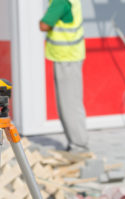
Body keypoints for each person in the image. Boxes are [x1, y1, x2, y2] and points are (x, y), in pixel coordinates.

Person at [39, 0, 88, 152]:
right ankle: (76, 144)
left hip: (66, 57)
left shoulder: (59, 2)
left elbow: (44, 25)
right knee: (69, 103)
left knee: (69, 105)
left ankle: (79, 146)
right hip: (70, 55)